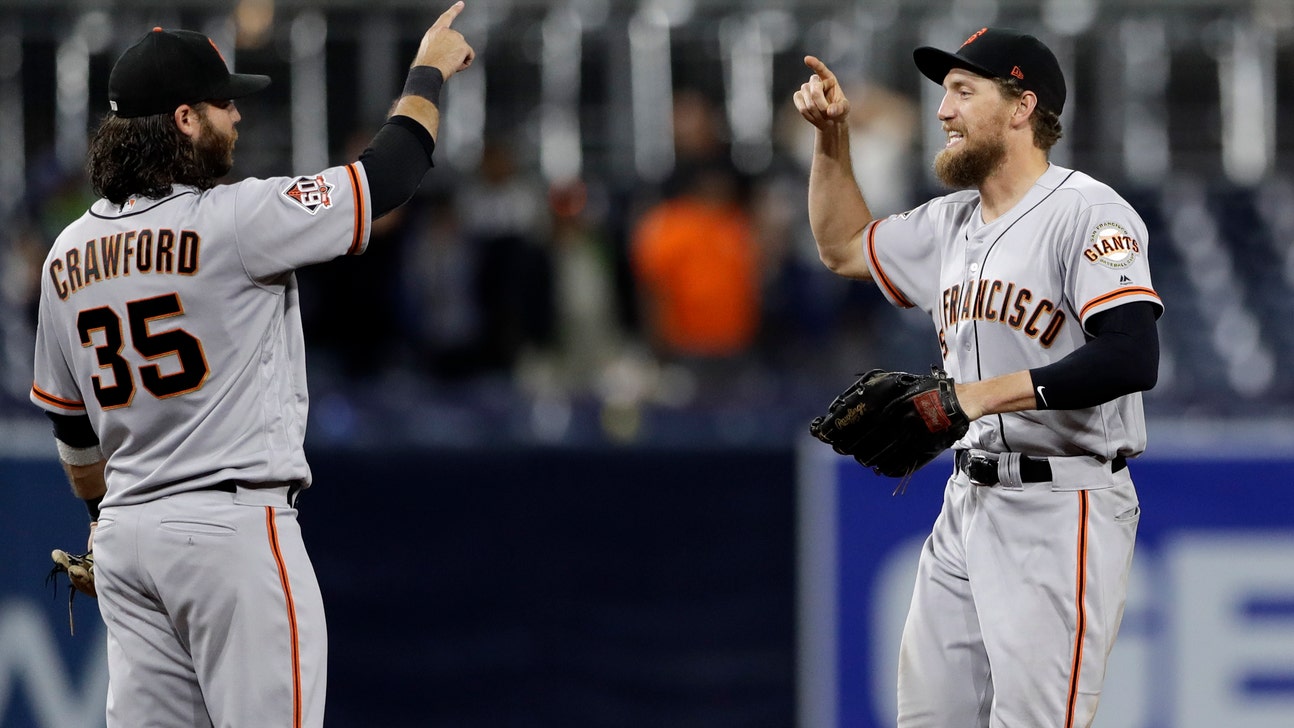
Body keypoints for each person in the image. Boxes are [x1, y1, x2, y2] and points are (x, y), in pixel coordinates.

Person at [29, 4, 474, 726]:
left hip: (125, 541)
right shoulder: (236, 220)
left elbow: (73, 431)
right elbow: (389, 174)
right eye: (221, 102)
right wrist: (428, 70)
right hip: (230, 533)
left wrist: (105, 517)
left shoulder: (66, 254)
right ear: (182, 119)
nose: (235, 115)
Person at [795, 28, 1162, 727]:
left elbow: (1130, 357)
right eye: (944, 94)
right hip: (969, 499)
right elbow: (842, 245)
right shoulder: (951, 222)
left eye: (964, 92)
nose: (943, 111)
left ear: (1022, 108)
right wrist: (831, 138)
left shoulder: (1088, 212)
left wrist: (972, 396)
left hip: (1062, 505)